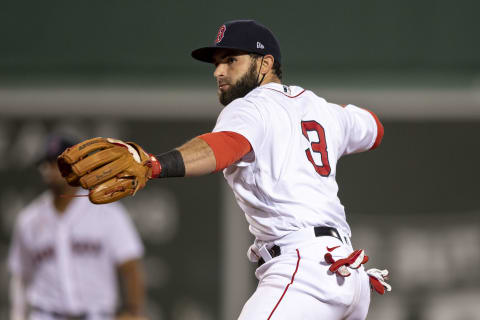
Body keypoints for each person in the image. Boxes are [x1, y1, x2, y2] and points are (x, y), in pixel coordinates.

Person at [59, 19, 390, 320]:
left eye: (232, 60)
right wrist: (334, 116)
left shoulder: (251, 106)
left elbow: (222, 147)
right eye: (217, 63)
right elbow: (374, 128)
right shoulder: (321, 108)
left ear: (266, 63)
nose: (219, 71)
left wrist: (155, 164)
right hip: (348, 277)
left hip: (305, 274)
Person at [8, 134, 147, 320]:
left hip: (97, 314)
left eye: (59, 164)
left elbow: (130, 266)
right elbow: (20, 277)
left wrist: (133, 311)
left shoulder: (106, 212)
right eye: (48, 163)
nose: (51, 170)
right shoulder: (29, 219)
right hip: (46, 314)